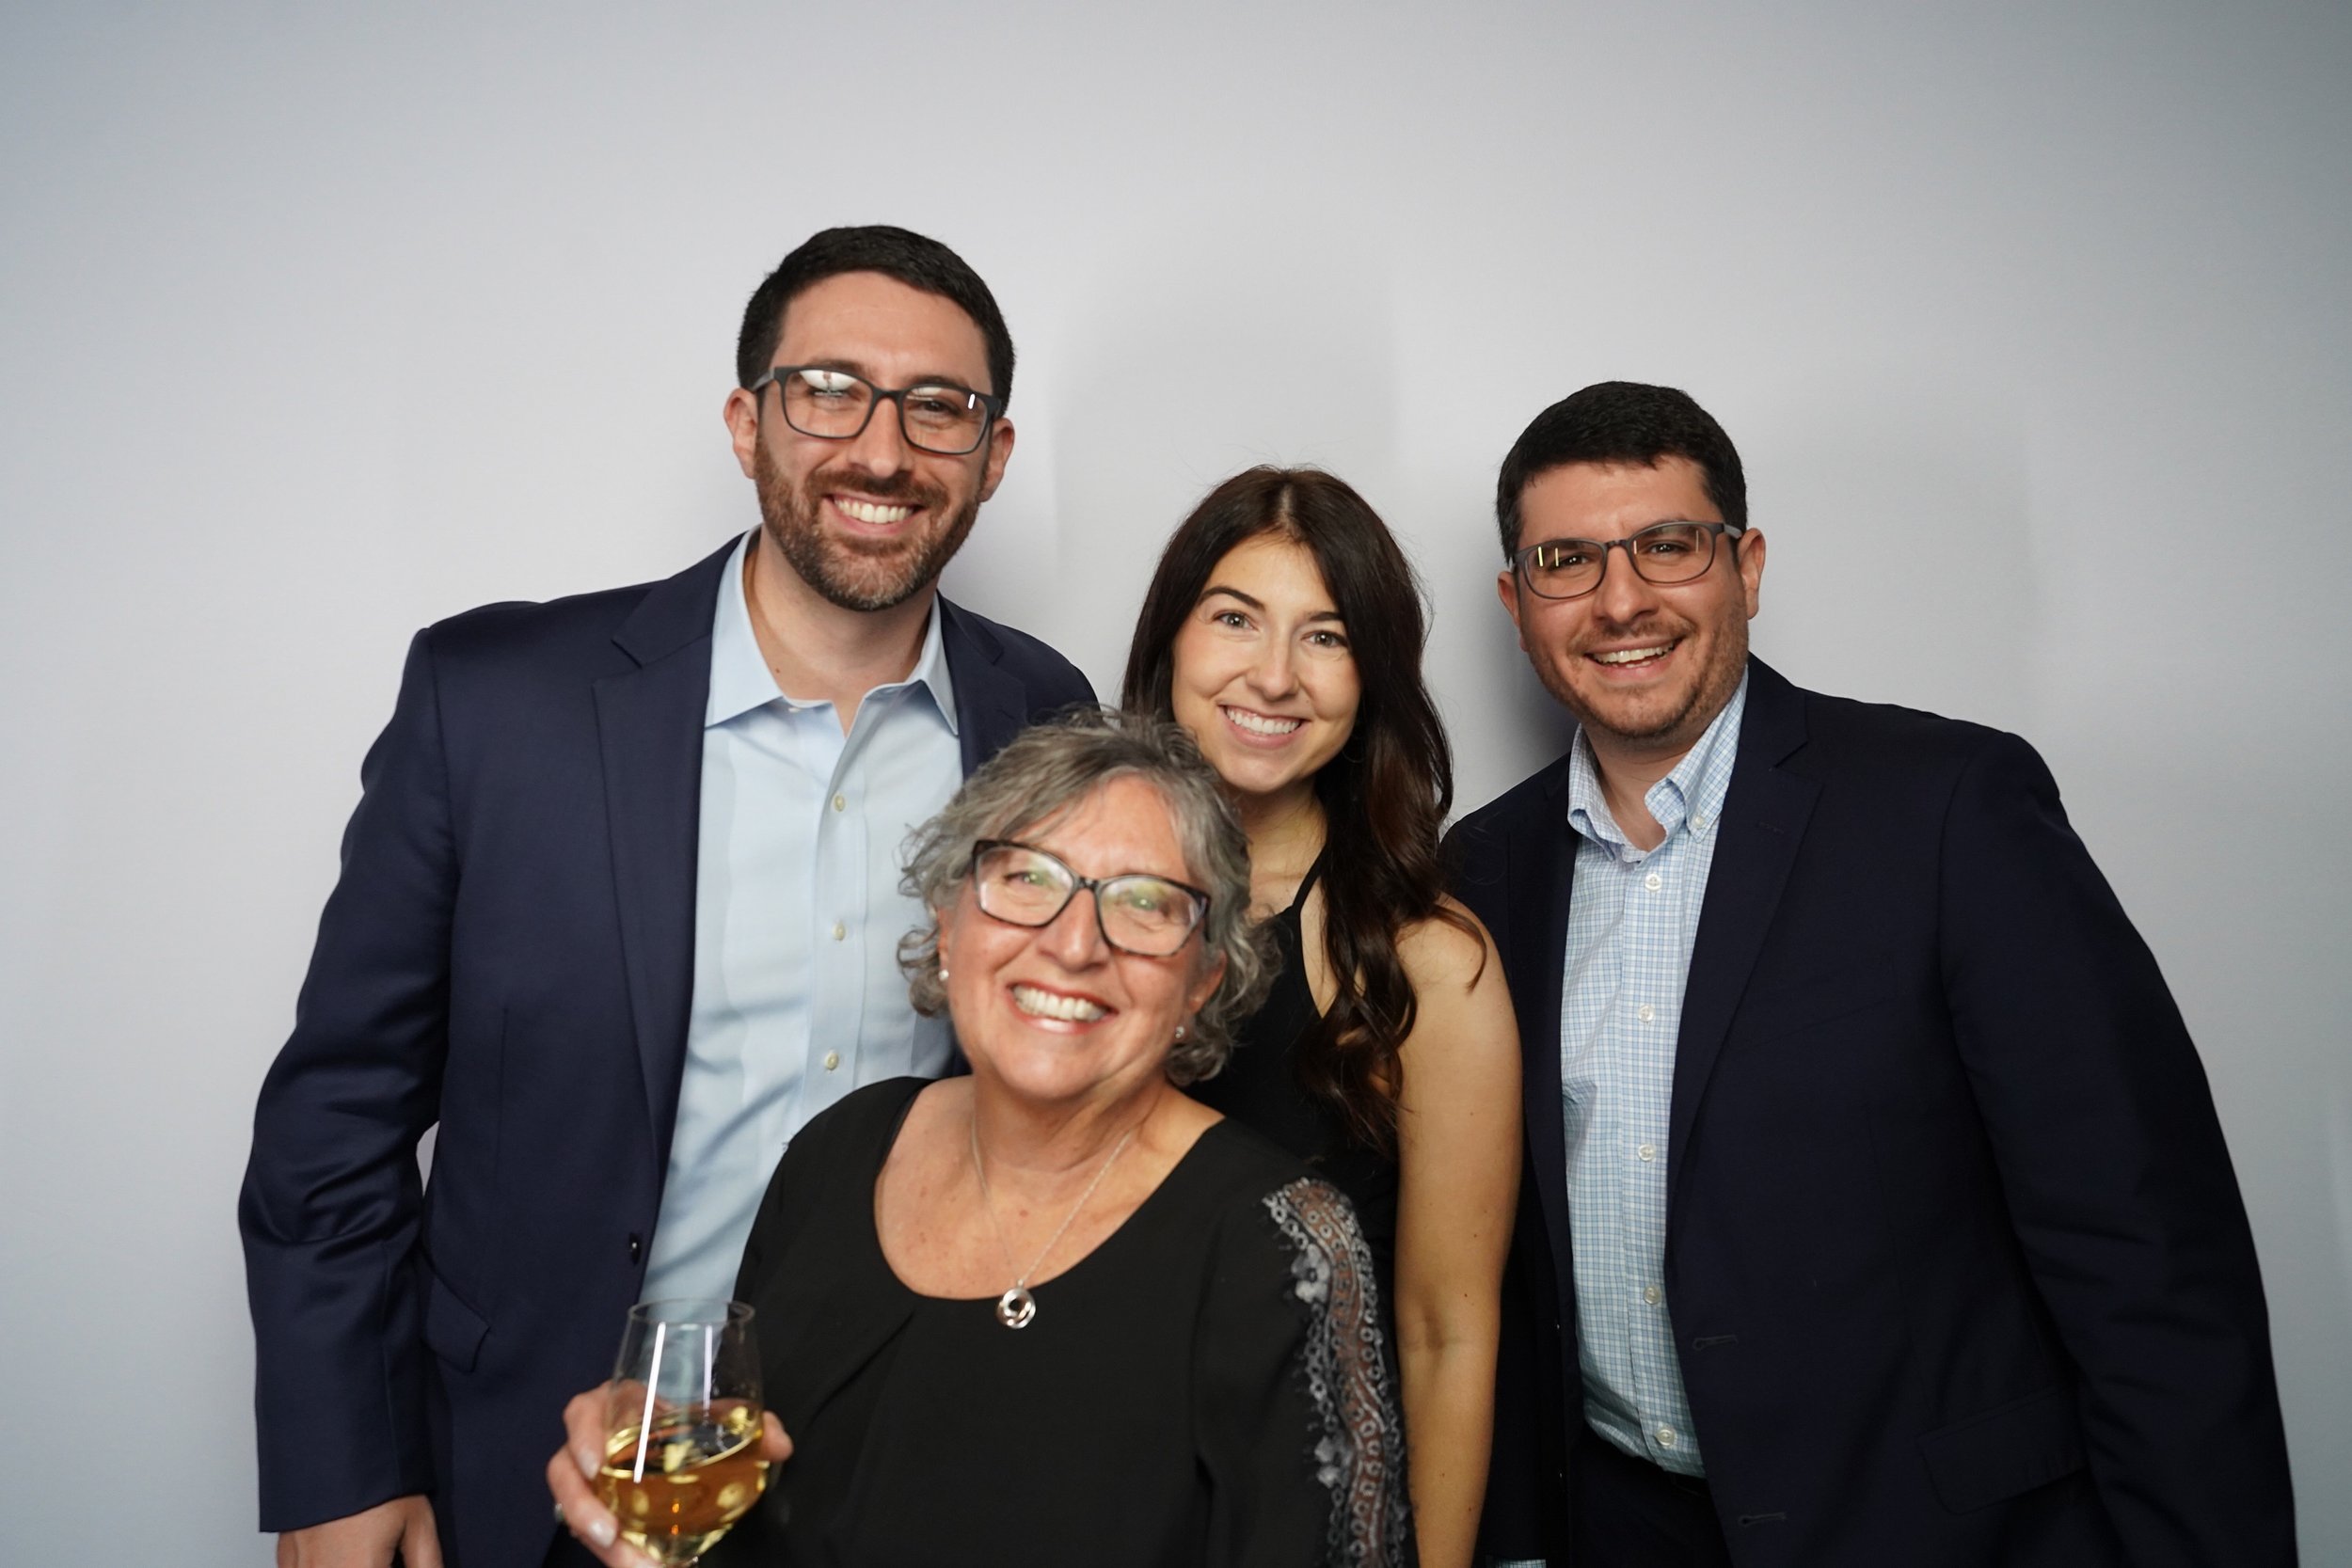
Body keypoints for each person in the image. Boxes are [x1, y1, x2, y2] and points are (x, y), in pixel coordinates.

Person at [239, 225, 1095, 1568]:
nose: (883, 448)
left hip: (904, 1461)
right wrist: (342, 1463)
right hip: (538, 1470)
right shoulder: (497, 701)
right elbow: (334, 1117)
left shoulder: (1044, 715)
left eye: (940, 406)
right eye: (829, 389)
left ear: (992, 456)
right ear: (747, 422)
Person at [1452, 381, 2296, 1565]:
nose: (1620, 598)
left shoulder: (1947, 807)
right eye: (1566, 560)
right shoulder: (1481, 870)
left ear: (1745, 566)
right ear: (1515, 600)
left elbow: (2143, 1246)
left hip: (1944, 1534)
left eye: (1667, 545)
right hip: (1626, 1530)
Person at [545, 710, 1415, 1566]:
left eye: (1145, 903)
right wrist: (652, 1475)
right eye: (1028, 879)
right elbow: (742, 1500)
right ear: (949, 920)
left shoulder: (1284, 1248)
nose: (1074, 945)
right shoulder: (839, 1149)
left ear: (1203, 978)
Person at [1122, 468, 1520, 1568]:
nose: (1273, 675)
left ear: (1373, 678)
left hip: (1305, 1521)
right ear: (1171, 641)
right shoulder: (1063, 907)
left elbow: (1448, 1332)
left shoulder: (1427, 959)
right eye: (1235, 618)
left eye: (1325, 635)